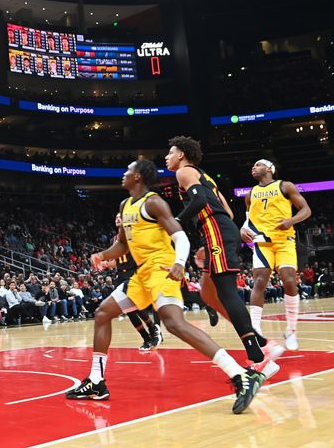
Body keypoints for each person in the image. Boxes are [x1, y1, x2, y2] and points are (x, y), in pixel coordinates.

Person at [65, 159, 265, 414]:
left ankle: (240, 376)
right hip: (141, 275)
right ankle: (96, 382)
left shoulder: (154, 202)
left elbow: (180, 236)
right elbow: (123, 245)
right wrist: (103, 256)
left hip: (161, 269)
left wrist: (180, 262)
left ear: (138, 177)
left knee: (174, 324)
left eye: (128, 171)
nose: (123, 174)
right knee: (103, 313)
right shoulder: (125, 205)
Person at [165, 136, 283, 378]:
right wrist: (209, 242)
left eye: (170, 152)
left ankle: (258, 357)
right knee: (208, 294)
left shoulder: (184, 172)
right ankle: (261, 342)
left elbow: (198, 201)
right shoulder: (204, 175)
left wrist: (175, 224)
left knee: (226, 292)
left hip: (217, 231)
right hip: (218, 231)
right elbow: (227, 211)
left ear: (181, 155)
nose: (167, 157)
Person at [240, 160, 311, 352]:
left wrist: (291, 220)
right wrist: (242, 230)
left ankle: (291, 330)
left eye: (257, 165)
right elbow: (247, 222)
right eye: (252, 166)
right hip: (262, 242)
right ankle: (255, 329)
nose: (253, 168)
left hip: (284, 239)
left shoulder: (285, 186)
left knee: (289, 280)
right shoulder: (250, 194)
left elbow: (306, 210)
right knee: (259, 281)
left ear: (269, 169)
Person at [107, 214, 163, 351]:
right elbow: (116, 262)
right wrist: (106, 263)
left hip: (133, 273)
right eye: (116, 217)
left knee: (135, 306)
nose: (117, 218)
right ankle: (146, 338)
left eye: (120, 217)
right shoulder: (114, 240)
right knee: (129, 311)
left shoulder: (134, 235)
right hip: (120, 275)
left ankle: (154, 330)